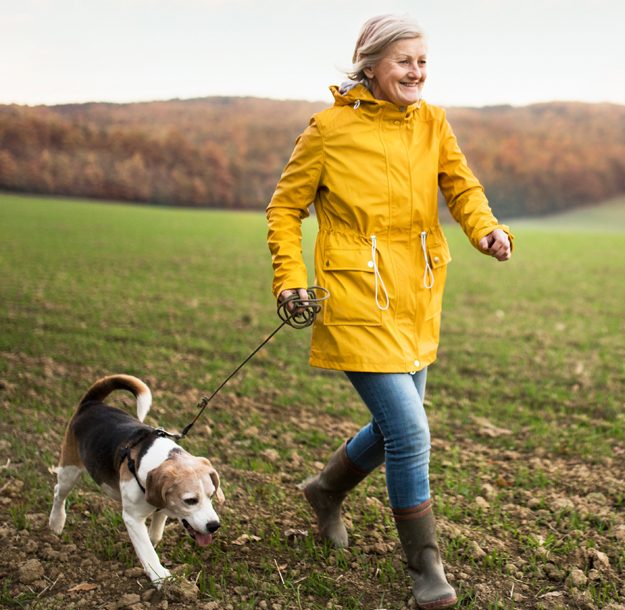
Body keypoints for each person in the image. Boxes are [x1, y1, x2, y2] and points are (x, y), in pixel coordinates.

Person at [265, 14, 512, 609]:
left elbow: (462, 187)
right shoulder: (327, 130)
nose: (417, 72)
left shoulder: (433, 122)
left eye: (423, 61)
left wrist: (485, 229)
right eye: (405, 61)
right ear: (371, 64)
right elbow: (283, 209)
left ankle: (325, 491)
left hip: (417, 294)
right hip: (353, 296)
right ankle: (426, 569)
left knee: (395, 426)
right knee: (409, 431)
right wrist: (290, 279)